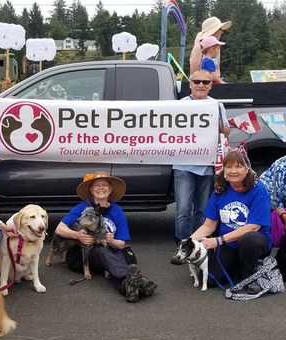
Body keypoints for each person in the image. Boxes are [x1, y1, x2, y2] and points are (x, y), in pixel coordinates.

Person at [54, 171, 157, 303]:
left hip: (112, 254)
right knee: (102, 251)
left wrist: (111, 240)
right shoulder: (82, 207)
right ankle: (143, 282)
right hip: (84, 256)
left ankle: (129, 287)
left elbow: (121, 244)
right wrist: (77, 235)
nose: (101, 188)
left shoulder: (117, 211)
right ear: (91, 190)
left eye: (105, 185)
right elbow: (59, 229)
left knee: (113, 257)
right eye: (97, 185)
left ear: (110, 190)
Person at [188, 147, 272, 293]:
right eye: (229, 166)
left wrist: (218, 241)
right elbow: (209, 226)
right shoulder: (220, 190)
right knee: (210, 279)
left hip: (254, 241)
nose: (233, 171)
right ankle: (239, 264)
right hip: (228, 243)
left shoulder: (258, 190)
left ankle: (250, 276)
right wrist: (187, 243)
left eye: (239, 166)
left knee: (250, 239)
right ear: (224, 170)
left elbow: (253, 227)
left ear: (247, 170)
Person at [171, 69, 231, 264]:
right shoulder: (180, 105)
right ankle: (181, 247)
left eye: (205, 82)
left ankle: (197, 247)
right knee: (183, 209)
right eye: (197, 81)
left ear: (210, 85)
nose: (201, 85)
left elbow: (227, 132)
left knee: (203, 210)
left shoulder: (217, 105)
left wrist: (217, 122)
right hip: (183, 165)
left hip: (207, 165)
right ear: (190, 84)